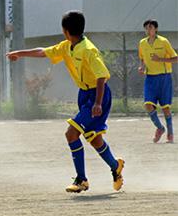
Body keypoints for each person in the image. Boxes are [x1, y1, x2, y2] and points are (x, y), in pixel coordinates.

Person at [7, 11, 124, 193]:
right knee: (95, 139)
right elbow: (43, 52)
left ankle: (81, 180)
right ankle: (115, 166)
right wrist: (19, 53)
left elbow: (102, 76)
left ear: (66, 31)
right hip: (85, 95)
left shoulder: (88, 49)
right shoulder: (67, 46)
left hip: (97, 96)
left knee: (71, 134)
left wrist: (98, 103)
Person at [138, 19, 177, 143]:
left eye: (150, 27)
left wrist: (160, 59)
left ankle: (170, 134)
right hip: (150, 78)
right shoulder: (142, 43)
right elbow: (142, 58)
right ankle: (160, 128)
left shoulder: (163, 41)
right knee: (148, 105)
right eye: (146, 28)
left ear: (156, 29)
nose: (148, 30)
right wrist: (142, 67)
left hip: (164, 78)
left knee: (165, 108)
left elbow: (175, 58)